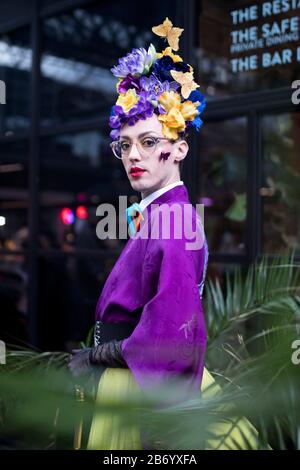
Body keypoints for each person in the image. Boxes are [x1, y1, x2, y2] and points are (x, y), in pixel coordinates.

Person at [68, 17, 258, 450]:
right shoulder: (162, 215)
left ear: (180, 149)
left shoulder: (174, 223)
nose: (133, 155)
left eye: (150, 142)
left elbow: (169, 337)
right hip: (129, 378)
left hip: (138, 388)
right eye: (125, 143)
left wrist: (95, 355)